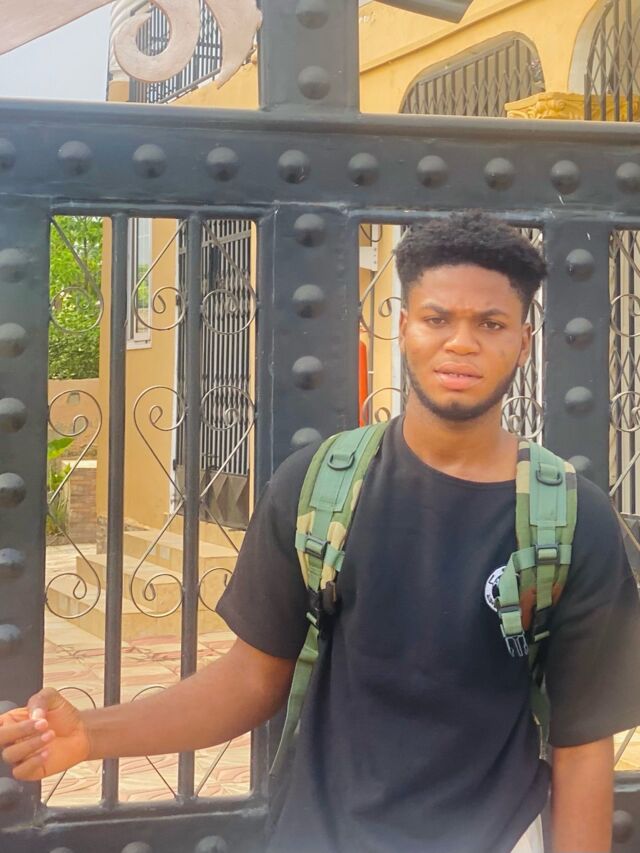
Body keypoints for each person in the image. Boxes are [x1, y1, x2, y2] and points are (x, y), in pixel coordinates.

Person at [2, 211, 640, 853]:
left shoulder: (571, 519)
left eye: (491, 324)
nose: (461, 343)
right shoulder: (317, 489)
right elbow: (250, 680)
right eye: (437, 318)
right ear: (403, 328)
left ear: (524, 343)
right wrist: (90, 734)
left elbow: (583, 744)